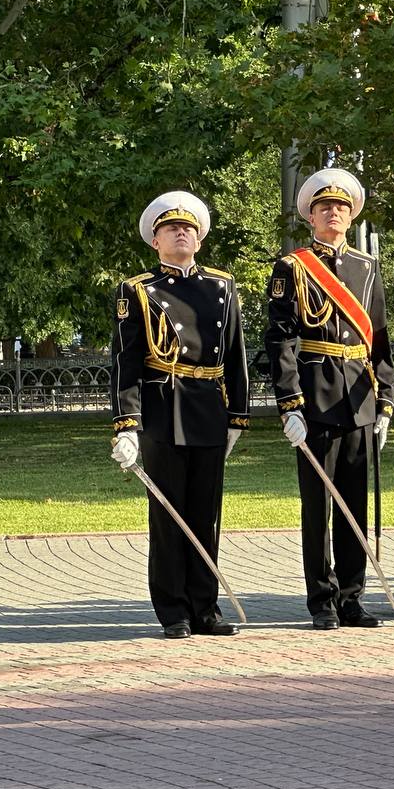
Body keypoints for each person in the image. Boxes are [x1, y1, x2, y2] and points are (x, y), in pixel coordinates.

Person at [110, 191, 249, 639]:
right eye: (171, 228)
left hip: (208, 406)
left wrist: (237, 416)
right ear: (156, 241)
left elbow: (235, 355)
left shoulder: (221, 286)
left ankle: (206, 608)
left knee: (205, 513)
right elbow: (126, 361)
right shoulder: (138, 290)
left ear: (200, 239)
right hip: (162, 407)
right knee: (170, 518)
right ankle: (174, 610)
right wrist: (126, 424)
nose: (181, 232)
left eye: (188, 228)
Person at [264, 167, 394, 630]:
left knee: (354, 499)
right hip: (315, 389)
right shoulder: (293, 267)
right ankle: (322, 598)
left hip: (359, 390)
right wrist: (289, 402)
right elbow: (279, 338)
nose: (333, 213)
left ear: (350, 214)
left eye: (341, 207)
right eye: (325, 208)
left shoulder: (366, 266)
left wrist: (385, 399)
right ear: (311, 217)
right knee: (319, 503)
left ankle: (353, 597)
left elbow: (378, 336)